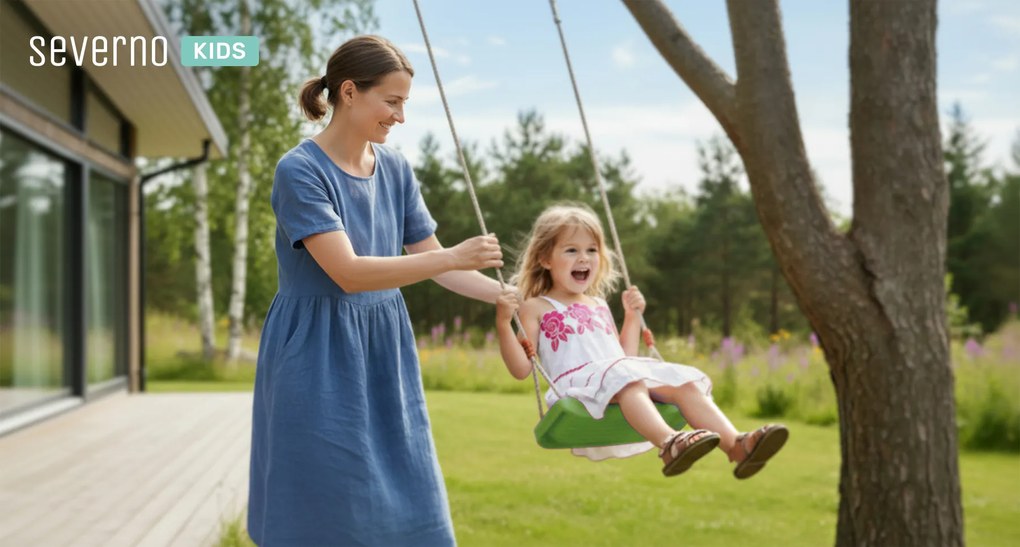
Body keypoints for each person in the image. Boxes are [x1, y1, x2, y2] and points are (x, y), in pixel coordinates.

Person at [248, 35, 505, 546]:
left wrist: (512, 296)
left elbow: (435, 265)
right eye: (392, 102)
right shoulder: (300, 171)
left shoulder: (395, 169)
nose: (400, 117)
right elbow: (348, 272)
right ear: (349, 92)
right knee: (324, 505)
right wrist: (452, 255)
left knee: (408, 496)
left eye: (404, 104)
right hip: (316, 355)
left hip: (384, 352)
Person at [495, 203, 788, 476]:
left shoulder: (598, 304)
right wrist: (503, 323)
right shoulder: (535, 307)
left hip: (616, 379)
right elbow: (521, 369)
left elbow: (623, 357)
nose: (584, 258)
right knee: (628, 381)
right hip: (578, 390)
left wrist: (632, 317)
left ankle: (737, 445)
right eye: (571, 250)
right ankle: (670, 443)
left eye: (592, 250)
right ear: (545, 258)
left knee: (681, 384)